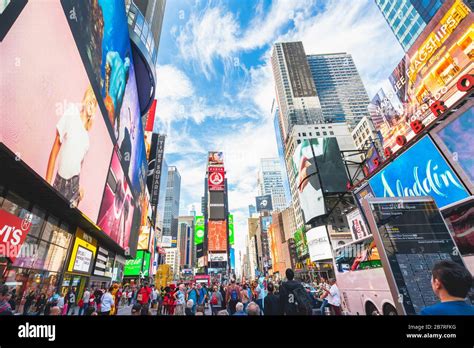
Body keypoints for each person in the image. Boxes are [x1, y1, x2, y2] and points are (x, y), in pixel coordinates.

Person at [46, 85, 98, 207]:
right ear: (86, 98)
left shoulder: (87, 139)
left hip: (74, 189)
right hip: (59, 182)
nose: (92, 105)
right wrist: (46, 184)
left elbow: (78, 166)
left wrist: (79, 188)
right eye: (91, 100)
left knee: (61, 225)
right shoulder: (71, 113)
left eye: (95, 104)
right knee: (45, 216)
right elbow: (54, 151)